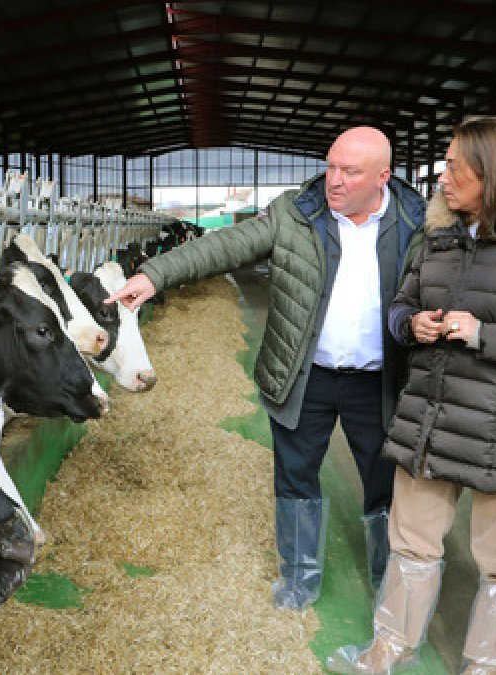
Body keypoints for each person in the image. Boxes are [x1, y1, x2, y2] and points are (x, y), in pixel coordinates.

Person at [106, 126, 427, 610]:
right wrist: (154, 275)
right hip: (303, 374)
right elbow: (227, 245)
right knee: (295, 476)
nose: (334, 180)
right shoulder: (295, 212)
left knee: (386, 483)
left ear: (382, 176)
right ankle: (299, 581)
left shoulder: (417, 223)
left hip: (380, 380)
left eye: (350, 171)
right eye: (331, 165)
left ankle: (391, 584)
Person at [327, 116, 496, 674]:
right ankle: (388, 650)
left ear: (493, 174)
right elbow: (401, 302)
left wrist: (484, 335)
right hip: (430, 415)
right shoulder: (441, 235)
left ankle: (489, 666)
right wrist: (412, 325)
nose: (443, 177)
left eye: (455, 166)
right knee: (411, 543)